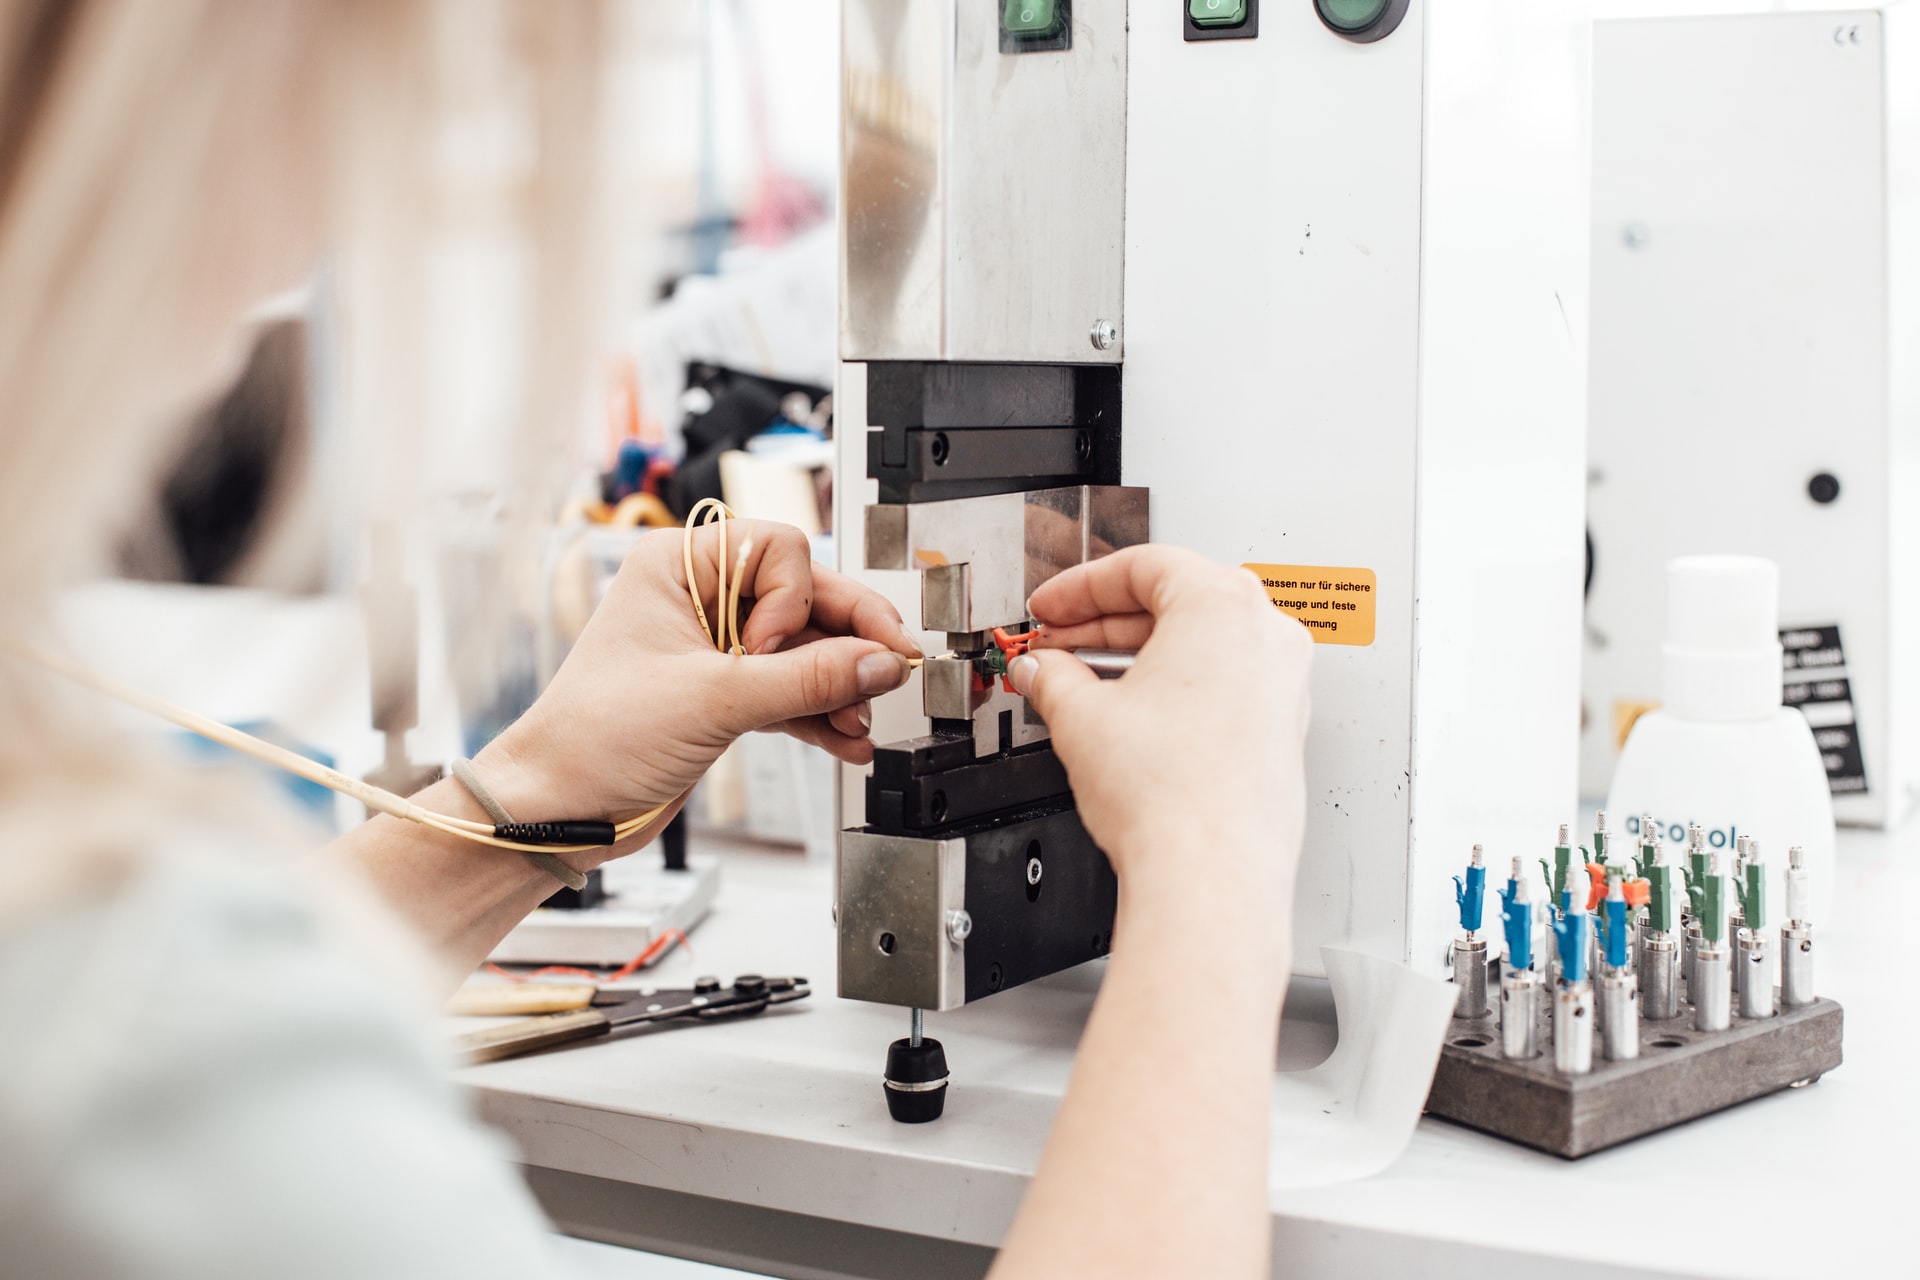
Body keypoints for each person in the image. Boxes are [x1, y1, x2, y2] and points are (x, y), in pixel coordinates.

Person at [0, 3, 1312, 1278]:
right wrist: (1213, 853)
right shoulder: (93, 1010)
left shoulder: (106, 994)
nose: (306, 225)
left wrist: (536, 794)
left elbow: (211, 1053)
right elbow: (161, 1057)